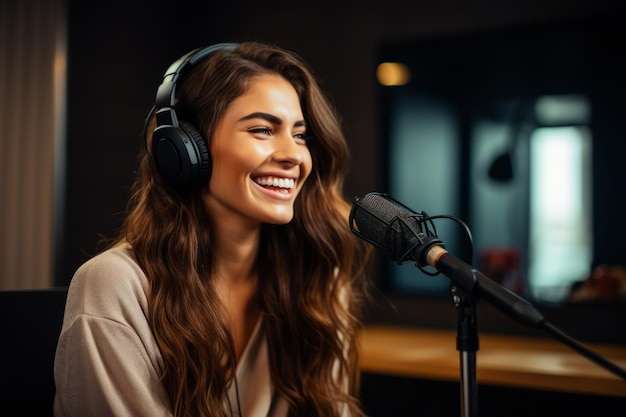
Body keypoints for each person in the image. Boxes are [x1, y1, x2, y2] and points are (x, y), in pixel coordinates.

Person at [53, 41, 372, 417]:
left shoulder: (313, 278)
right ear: (185, 150)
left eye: (300, 135)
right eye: (262, 130)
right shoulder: (114, 286)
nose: (294, 155)